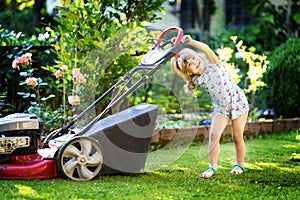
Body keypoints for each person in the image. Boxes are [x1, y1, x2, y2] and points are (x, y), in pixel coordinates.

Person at [171, 35, 249, 179]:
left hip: (238, 101)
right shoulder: (196, 79)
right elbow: (178, 69)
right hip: (221, 108)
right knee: (213, 135)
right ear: (190, 72)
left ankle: (240, 164)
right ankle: (212, 167)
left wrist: (191, 42)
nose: (195, 62)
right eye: (191, 64)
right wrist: (174, 52)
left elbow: (206, 49)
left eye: (194, 58)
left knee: (237, 136)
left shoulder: (213, 64)